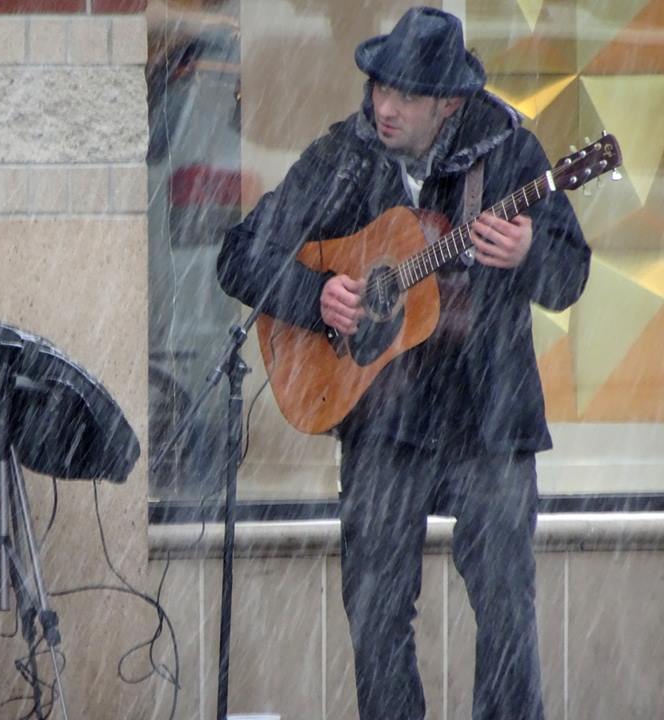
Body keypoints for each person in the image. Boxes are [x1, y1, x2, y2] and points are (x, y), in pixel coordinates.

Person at [216, 7, 590, 720]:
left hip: (489, 419)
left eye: (406, 96)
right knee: (376, 612)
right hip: (385, 420)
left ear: (448, 103)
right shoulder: (345, 157)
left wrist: (528, 255)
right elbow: (240, 255)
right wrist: (314, 296)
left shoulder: (510, 153)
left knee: (507, 612)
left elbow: (569, 277)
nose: (384, 107)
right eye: (380, 87)